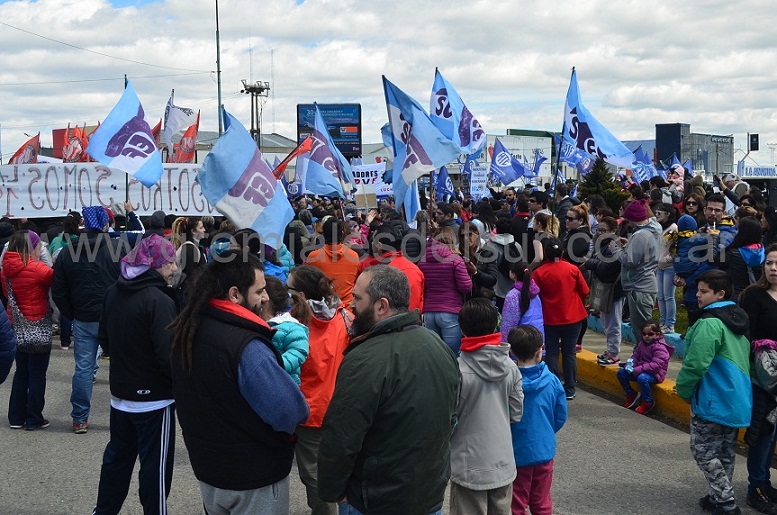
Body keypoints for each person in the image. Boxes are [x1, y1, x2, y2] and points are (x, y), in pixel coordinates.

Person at [169, 251, 309, 514]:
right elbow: (290, 411)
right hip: (255, 477)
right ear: (235, 294)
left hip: (210, 471)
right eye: (259, 291)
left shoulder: (188, 329)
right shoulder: (246, 346)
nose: (266, 298)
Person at [317, 265, 460, 515]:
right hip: (428, 494)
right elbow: (452, 417)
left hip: (375, 501)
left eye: (358, 298)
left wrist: (333, 492)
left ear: (381, 306)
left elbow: (341, 437)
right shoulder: (438, 346)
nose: (351, 304)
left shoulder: (364, 359)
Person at [92, 234, 179, 515]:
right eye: (170, 262)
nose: (175, 269)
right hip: (155, 401)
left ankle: (103, 511)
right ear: (154, 264)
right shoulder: (159, 300)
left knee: (117, 460)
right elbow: (168, 356)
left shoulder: (113, 292)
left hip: (121, 395)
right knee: (155, 469)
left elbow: (104, 339)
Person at [676, 269, 752, 515]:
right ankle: (717, 496)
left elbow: (696, 364)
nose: (697, 295)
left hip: (712, 398)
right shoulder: (737, 318)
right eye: (698, 290)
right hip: (737, 397)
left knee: (703, 450)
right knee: (725, 451)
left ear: (720, 294)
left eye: (704, 291)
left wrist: (685, 390)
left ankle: (726, 500)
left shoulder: (710, 323)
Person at [52, 206, 125, 434]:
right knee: (122, 367)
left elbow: (59, 289)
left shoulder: (68, 251)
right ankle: (123, 419)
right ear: (104, 224)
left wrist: (70, 312)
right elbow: (128, 282)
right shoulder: (118, 248)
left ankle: (80, 418)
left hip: (83, 317)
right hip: (111, 317)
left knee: (83, 368)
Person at [287, 265, 352, 515]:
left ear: (300, 294)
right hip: (342, 407)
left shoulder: (293, 326)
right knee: (340, 467)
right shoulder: (345, 316)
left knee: (314, 474)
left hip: (310, 412)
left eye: (289, 288)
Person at [450, 298, 523, 515]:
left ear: (462, 329)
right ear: (495, 326)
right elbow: (516, 413)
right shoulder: (511, 367)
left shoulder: (457, 369)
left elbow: (449, 418)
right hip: (502, 463)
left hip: (468, 466)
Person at [508, 325, 567, 515]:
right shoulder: (552, 380)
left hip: (517, 452)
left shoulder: (509, 381)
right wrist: (546, 431)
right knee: (541, 501)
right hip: (544, 450)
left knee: (516, 503)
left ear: (512, 351)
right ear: (540, 349)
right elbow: (560, 415)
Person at [739, 244, 777, 514]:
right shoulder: (754, 295)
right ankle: (756, 487)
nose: (774, 268)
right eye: (770, 263)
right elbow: (746, 335)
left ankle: (766, 481)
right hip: (762, 374)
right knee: (763, 431)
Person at [3, 231, 53, 430]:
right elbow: (55, 282)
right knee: (38, 373)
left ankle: (16, 417)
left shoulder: (5, 269)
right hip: (37, 324)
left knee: (21, 371)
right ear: (31, 247)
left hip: (15, 324)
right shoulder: (39, 269)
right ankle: (34, 418)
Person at [533, 237, 589, 400]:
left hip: (550, 319)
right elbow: (584, 290)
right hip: (574, 317)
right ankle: (570, 388)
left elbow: (533, 293)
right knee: (569, 352)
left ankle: (553, 386)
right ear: (562, 252)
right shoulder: (572, 269)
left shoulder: (539, 272)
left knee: (551, 352)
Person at [610, 198, 660, 343]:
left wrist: (615, 250)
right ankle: (642, 358)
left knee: (643, 332)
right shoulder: (652, 231)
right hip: (645, 285)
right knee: (643, 329)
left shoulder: (640, 235)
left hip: (639, 288)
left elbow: (629, 260)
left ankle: (647, 359)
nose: (627, 222)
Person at [418, 229, 472, 354]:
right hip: (450, 310)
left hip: (429, 312)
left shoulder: (422, 261)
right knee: (452, 354)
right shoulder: (455, 260)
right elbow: (465, 287)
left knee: (436, 354)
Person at [585, 216, 626, 365]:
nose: (600, 233)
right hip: (605, 288)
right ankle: (610, 349)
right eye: (598, 230)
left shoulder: (615, 246)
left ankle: (614, 352)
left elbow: (605, 268)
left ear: (614, 231)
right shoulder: (601, 244)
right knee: (606, 322)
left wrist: (590, 263)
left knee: (613, 323)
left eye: (604, 230)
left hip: (614, 290)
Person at [616, 320, 673, 415]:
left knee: (642, 378)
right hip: (640, 370)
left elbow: (656, 365)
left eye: (650, 334)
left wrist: (638, 369)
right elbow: (635, 356)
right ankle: (632, 394)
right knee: (621, 373)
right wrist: (630, 365)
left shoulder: (660, 347)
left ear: (657, 334)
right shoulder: (641, 344)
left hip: (655, 374)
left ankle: (648, 401)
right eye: (644, 334)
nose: (646, 336)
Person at [261, 276, 309, 385]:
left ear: (265, 300)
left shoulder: (291, 327)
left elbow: (299, 352)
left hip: (285, 387)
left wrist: (272, 366)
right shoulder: (256, 323)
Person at [304, 218, 360, 305]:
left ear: (324, 235)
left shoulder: (313, 256)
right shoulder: (354, 256)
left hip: (323, 309)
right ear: (342, 234)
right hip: (348, 309)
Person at [716, 216, 764, 301]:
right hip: (758, 298)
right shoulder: (765, 253)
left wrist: (712, 238)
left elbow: (713, 260)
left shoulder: (732, 253)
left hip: (736, 298)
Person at [500, 261, 544, 343]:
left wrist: (504, 344)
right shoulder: (535, 291)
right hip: (538, 336)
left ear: (513, 274)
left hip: (521, 340)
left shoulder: (513, 295)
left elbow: (508, 323)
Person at [655, 203, 679, 334]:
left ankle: (670, 324)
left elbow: (675, 250)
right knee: (660, 296)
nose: (657, 215)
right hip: (660, 267)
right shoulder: (660, 228)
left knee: (668, 296)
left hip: (669, 267)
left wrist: (665, 259)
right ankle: (662, 322)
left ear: (668, 214)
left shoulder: (673, 229)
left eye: (660, 213)